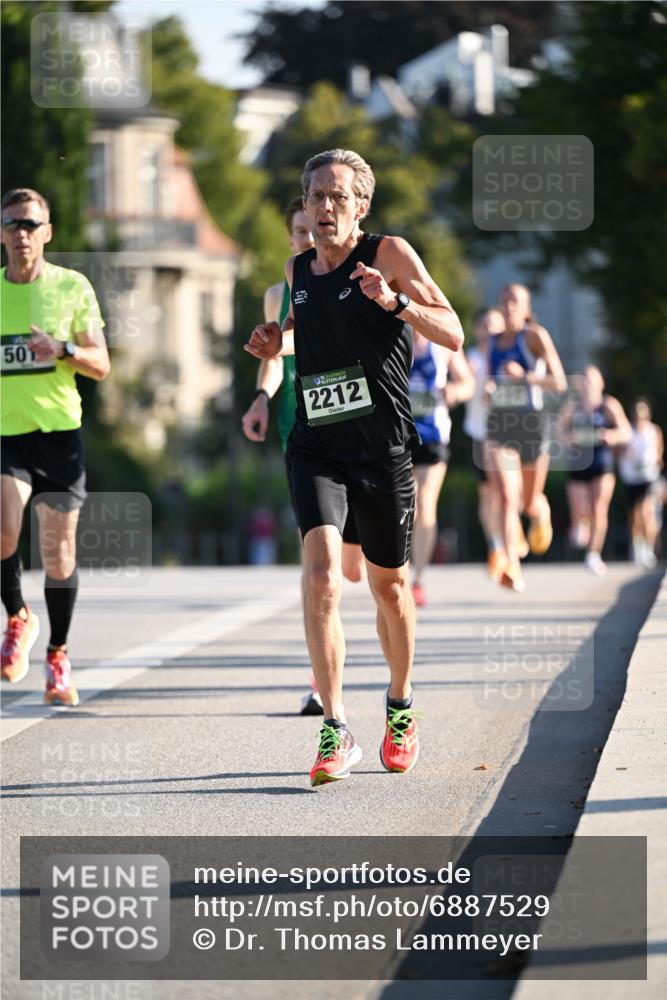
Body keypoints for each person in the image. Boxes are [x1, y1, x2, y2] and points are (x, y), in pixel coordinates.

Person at [245, 148, 464, 786]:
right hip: (316, 445)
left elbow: (452, 331)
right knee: (320, 577)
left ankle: (400, 705)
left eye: (338, 196)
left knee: (389, 587)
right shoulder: (296, 268)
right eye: (315, 196)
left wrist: (396, 303)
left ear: (361, 206)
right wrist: (275, 343)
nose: (325, 207)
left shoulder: (389, 253)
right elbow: (303, 331)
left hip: (382, 447)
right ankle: (335, 726)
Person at [241, 196, 365, 716]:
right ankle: (322, 678)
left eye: (310, 229)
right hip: (301, 424)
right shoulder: (279, 291)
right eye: (297, 231)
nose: (305, 237)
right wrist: (261, 397)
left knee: (353, 568)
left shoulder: (351, 276)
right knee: (318, 563)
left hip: (356, 424)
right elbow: (274, 353)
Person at [1, 187, 109, 704]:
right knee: (4, 527)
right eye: (12, 224)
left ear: (46, 233)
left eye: (30, 224)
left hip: (60, 435)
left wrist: (62, 349)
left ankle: (58, 655)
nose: (21, 233)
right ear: (2, 234)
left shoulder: (71, 287)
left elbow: (101, 364)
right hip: (7, 435)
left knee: (58, 553)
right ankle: (18, 617)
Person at [485, 284, 567, 592]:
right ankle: (512, 565)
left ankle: (540, 512)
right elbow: (492, 383)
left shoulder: (534, 336)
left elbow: (559, 383)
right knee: (507, 498)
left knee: (529, 503)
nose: (508, 306)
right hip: (500, 425)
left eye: (515, 301)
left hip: (531, 425)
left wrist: (525, 377)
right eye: (504, 300)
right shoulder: (492, 341)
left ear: (526, 308)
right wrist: (490, 391)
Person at [409, 329, 474, 607]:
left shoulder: (441, 344)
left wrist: (454, 391)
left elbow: (468, 383)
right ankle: (398, 570)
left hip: (433, 436)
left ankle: (417, 579)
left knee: (425, 504)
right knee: (403, 505)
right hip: (398, 436)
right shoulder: (393, 334)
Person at [562, 366, 631, 575]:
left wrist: (612, 436)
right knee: (581, 509)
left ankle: (593, 554)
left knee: (599, 509)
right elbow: (559, 429)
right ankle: (580, 524)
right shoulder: (573, 405)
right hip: (578, 464)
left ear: (601, 383)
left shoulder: (608, 405)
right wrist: (569, 438)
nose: (587, 384)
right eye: (584, 380)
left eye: (591, 380)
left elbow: (626, 431)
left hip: (601, 463)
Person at [463, 307, 505, 580]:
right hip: (479, 432)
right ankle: (496, 545)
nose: (491, 330)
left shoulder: (509, 356)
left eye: (496, 325)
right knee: (488, 494)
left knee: (508, 492)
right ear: (478, 330)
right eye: (486, 325)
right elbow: (465, 385)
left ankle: (508, 537)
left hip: (508, 434)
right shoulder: (472, 359)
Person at [619, 398, 664, 568]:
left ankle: (649, 548)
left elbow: (658, 453)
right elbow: (620, 451)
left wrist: (651, 462)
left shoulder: (654, 431)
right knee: (634, 516)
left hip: (648, 477)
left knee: (647, 512)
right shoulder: (628, 431)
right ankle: (638, 547)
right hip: (631, 478)